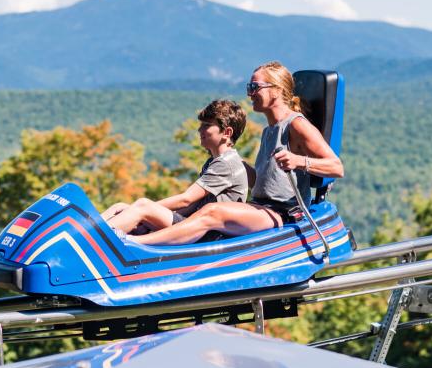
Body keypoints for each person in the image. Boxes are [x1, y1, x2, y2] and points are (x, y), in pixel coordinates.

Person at [131, 61, 344, 246]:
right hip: (260, 207)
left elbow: (336, 167)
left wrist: (298, 161)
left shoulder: (297, 125)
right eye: (248, 87)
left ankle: (137, 244)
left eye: (255, 87)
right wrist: (231, 162)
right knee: (203, 208)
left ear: (276, 90)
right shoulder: (269, 130)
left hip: (282, 213)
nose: (250, 93)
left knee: (212, 212)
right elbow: (265, 181)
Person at [101, 99, 250, 235]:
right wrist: (152, 217)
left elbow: (186, 200)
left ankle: (94, 242)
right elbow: (192, 206)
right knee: (120, 207)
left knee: (141, 206)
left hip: (209, 233)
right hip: (196, 224)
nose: (199, 130)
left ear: (227, 132)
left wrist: (143, 211)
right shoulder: (215, 161)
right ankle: (87, 235)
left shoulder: (225, 163)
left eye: (207, 125)